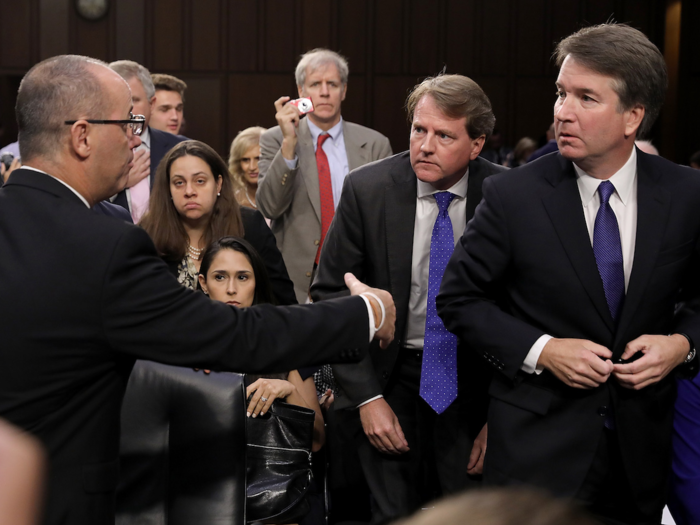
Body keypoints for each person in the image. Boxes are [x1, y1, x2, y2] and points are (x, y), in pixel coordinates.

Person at [0, 54, 396, 525]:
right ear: (82, 136)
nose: (135, 138)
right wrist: (365, 312)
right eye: (127, 122)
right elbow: (232, 335)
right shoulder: (105, 246)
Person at [437, 23, 700, 525]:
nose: (563, 111)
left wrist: (681, 345)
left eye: (586, 97)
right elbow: (458, 299)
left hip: (640, 454)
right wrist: (543, 350)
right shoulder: (513, 196)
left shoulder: (687, 195)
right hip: (535, 457)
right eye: (561, 93)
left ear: (633, 117)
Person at [311, 74, 505, 524]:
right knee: (392, 512)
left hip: (473, 382)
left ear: (476, 145)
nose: (425, 145)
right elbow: (330, 294)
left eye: (444, 135)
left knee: (466, 514)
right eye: (419, 130)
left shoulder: (505, 195)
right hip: (388, 375)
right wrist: (365, 398)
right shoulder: (368, 189)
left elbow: (525, 307)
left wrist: (502, 416)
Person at [257, 48, 393, 303]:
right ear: (301, 91)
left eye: (332, 83)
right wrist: (289, 143)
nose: (324, 92)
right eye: (315, 84)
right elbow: (269, 207)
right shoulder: (276, 138)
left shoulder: (375, 144)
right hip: (293, 281)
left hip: (355, 277)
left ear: (344, 90)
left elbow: (383, 218)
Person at [198, 236, 326, 449]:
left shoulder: (286, 343)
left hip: (268, 475)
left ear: (256, 281)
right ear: (204, 283)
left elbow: (317, 441)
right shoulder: (186, 343)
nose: (231, 289)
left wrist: (289, 391)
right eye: (220, 277)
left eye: (242, 277)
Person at [139, 139, 297, 305]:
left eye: (200, 181)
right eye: (179, 183)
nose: (189, 191)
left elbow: (283, 302)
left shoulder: (249, 225)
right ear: (168, 189)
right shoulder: (149, 232)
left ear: (218, 184)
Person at [109, 60, 188, 222]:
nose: (124, 108)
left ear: (151, 104)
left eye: (133, 100)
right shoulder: (91, 147)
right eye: (113, 100)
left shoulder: (181, 148)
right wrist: (117, 185)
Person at [229, 126, 265, 210]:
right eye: (245, 160)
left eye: (258, 158)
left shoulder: (281, 198)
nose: (252, 167)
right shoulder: (232, 201)